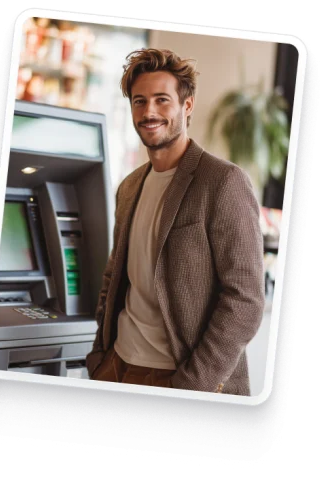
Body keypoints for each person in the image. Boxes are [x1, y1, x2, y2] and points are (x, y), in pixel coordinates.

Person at [85, 48, 265, 395]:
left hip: (178, 379)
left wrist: (192, 385)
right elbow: (114, 277)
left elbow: (245, 301)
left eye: (161, 100)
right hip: (115, 367)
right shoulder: (130, 186)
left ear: (187, 105)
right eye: (139, 101)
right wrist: (99, 355)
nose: (148, 112)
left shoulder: (223, 182)